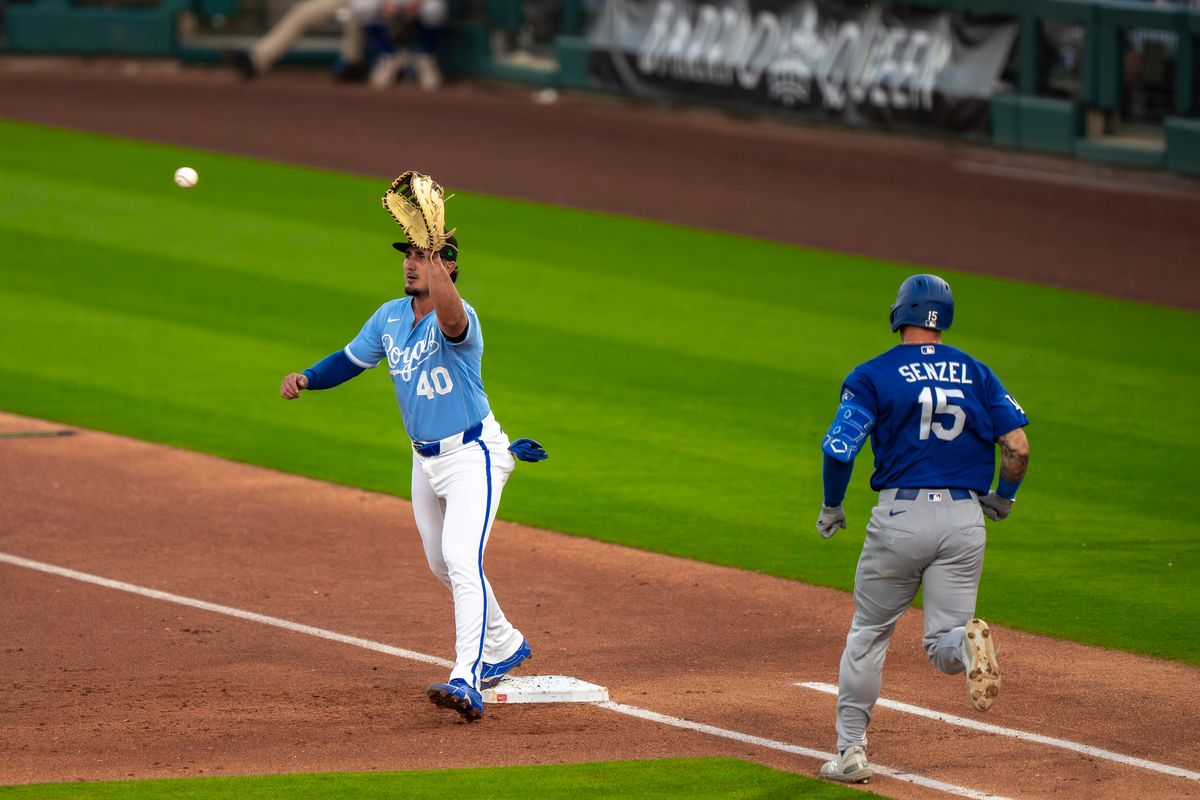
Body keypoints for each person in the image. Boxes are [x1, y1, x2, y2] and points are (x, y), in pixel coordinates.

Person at [280, 216, 545, 722]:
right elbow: (351, 360)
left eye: (421, 256)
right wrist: (309, 377)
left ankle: (467, 677)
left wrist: (438, 255)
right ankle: (505, 641)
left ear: (446, 266)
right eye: (407, 255)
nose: (409, 263)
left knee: (462, 560)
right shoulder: (390, 318)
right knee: (440, 563)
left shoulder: (461, 317)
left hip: (474, 455)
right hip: (424, 459)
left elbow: (450, 320)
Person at [814, 274, 1030, 783]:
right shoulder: (977, 373)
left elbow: (839, 448)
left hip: (901, 519)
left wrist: (832, 506)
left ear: (901, 313)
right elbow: (1017, 445)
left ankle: (851, 753)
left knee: (869, 634)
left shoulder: (873, 375)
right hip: (963, 520)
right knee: (943, 642)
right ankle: (967, 646)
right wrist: (1004, 496)